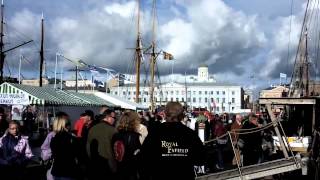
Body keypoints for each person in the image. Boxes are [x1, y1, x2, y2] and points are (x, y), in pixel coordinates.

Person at [140, 102, 205, 180]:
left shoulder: (155, 133)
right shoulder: (190, 134)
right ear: (182, 115)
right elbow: (201, 159)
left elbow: (144, 158)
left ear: (165, 113)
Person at [86, 109, 117, 180]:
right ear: (107, 117)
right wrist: (114, 167)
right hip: (108, 166)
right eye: (114, 118)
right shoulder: (113, 130)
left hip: (94, 165)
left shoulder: (92, 128)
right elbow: (114, 150)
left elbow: (88, 147)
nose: (115, 120)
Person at [112, 111, 142, 180]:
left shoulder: (115, 135)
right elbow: (137, 156)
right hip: (130, 172)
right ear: (134, 122)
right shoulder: (135, 136)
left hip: (119, 170)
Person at [41, 112, 69, 180]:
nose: (68, 124)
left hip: (67, 168)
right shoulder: (52, 135)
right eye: (66, 122)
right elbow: (44, 150)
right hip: (55, 166)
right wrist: (53, 151)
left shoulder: (70, 136)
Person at [50, 116, 79, 180]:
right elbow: (76, 153)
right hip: (68, 171)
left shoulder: (54, 138)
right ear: (64, 125)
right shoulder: (70, 138)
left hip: (56, 170)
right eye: (68, 124)